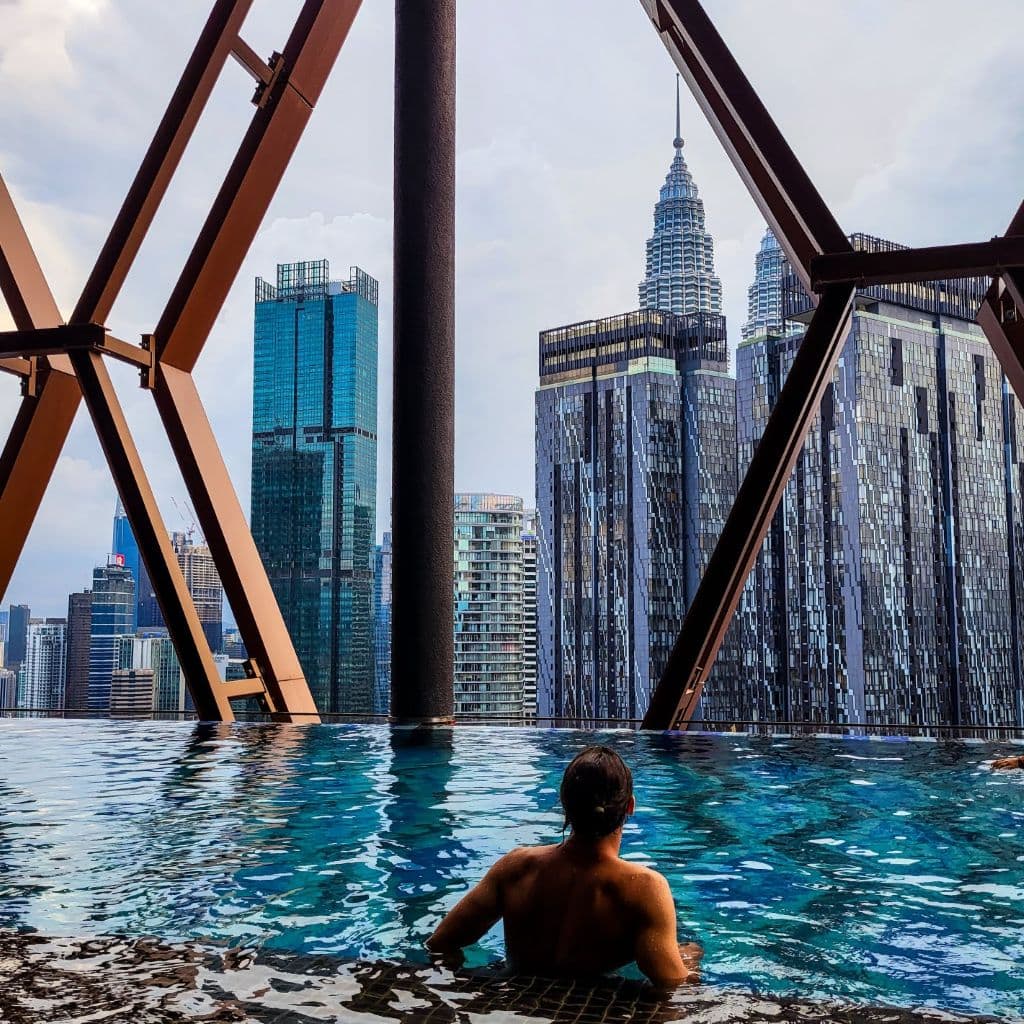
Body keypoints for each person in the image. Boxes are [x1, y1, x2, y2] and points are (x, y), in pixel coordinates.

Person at [427, 745, 702, 987]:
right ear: (630, 807)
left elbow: (441, 943)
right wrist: (689, 960)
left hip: (510, 998)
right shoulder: (644, 888)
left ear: (564, 804)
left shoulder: (517, 867)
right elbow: (672, 986)